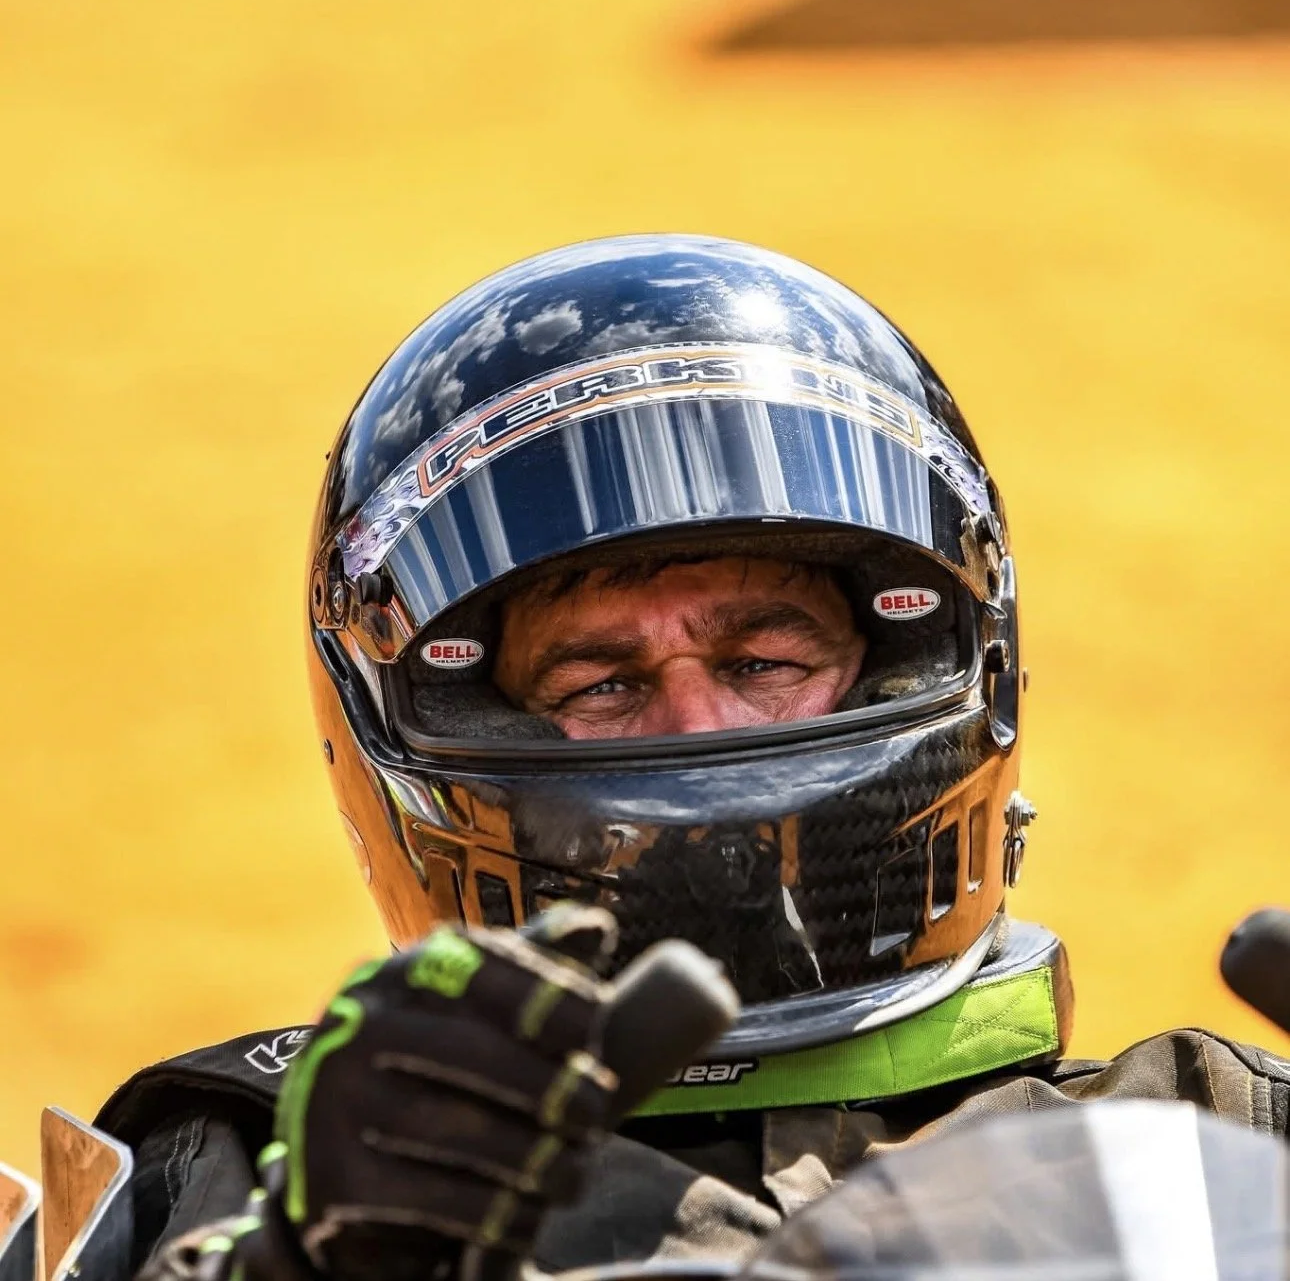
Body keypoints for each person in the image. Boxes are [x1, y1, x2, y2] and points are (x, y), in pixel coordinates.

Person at [80, 236, 1288, 1281]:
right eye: (601, 684)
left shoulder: (1207, 1130)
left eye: (765, 657)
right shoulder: (277, 1172)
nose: (704, 735)